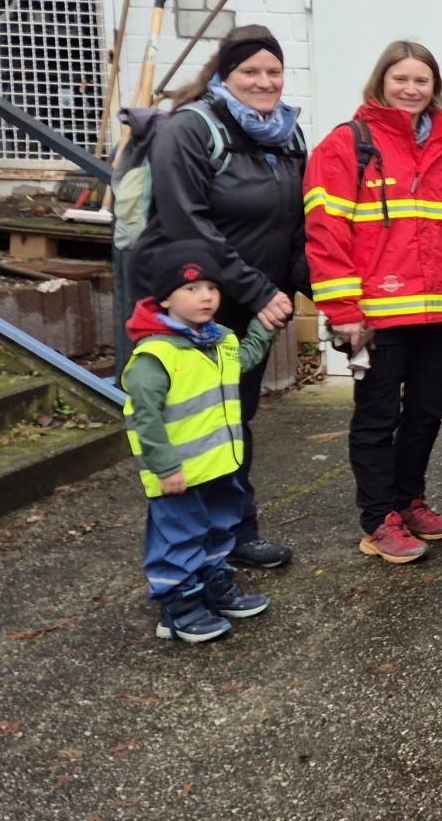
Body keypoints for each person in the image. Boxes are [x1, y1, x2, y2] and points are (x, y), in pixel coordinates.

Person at [303, 41, 442, 566]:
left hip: (440, 309)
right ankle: (379, 519)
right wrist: (343, 308)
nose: (411, 89)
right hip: (378, 314)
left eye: (421, 80)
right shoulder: (347, 144)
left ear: (435, 86)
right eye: (401, 79)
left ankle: (409, 501)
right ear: (381, 82)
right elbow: (325, 230)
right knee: (377, 416)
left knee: (429, 410)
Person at [143, 25, 306, 571]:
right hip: (195, 309)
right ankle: (185, 553)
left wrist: (321, 292)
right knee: (193, 428)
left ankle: (233, 534)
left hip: (255, 309)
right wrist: (258, 291)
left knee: (234, 421)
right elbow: (188, 226)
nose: (265, 82)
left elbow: (297, 227)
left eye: (274, 71)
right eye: (250, 71)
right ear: (223, 74)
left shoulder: (287, 136)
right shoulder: (189, 131)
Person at [124, 239, 277, 643]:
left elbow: (244, 360)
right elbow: (144, 419)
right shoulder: (155, 355)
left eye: (211, 287)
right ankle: (178, 608)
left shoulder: (219, 340)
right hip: (178, 475)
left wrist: (264, 326)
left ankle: (213, 586)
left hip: (220, 468)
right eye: (191, 288)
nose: (205, 296)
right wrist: (165, 467)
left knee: (219, 530)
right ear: (165, 299)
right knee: (179, 539)